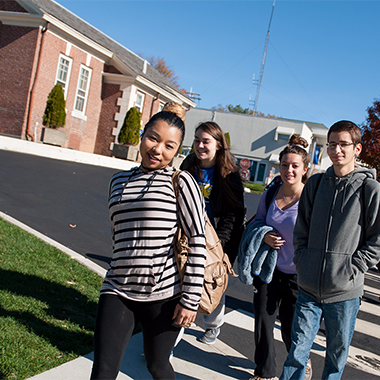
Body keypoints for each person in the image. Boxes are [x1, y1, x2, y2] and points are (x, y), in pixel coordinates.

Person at [90, 111, 207, 380]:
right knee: (103, 370)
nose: (158, 149)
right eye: (153, 138)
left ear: (178, 150)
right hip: (117, 288)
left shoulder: (181, 182)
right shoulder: (118, 181)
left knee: (157, 365)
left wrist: (189, 299)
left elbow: (197, 240)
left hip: (163, 295)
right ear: (142, 135)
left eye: (169, 145)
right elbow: (119, 236)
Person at [280, 120, 380, 380]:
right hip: (308, 286)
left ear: (357, 149)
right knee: (297, 352)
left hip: (345, 292)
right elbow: (301, 228)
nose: (336, 150)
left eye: (343, 144)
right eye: (332, 144)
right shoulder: (314, 184)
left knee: (336, 354)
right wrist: (302, 258)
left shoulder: (369, 189)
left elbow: (377, 239)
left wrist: (353, 267)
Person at [247, 135, 311, 380]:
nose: (289, 170)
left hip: (298, 275)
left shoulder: (310, 200)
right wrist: (264, 236)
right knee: (263, 321)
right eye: (285, 165)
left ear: (305, 169)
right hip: (269, 270)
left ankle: (300, 363)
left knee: (290, 328)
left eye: (295, 166)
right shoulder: (271, 193)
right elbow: (257, 222)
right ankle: (264, 372)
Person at [180, 121, 245, 345]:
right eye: (197, 140)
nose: (200, 145)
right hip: (187, 234)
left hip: (216, 239)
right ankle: (171, 337)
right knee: (181, 280)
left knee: (212, 283)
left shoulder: (229, 174)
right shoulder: (187, 166)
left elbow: (234, 214)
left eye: (205, 141)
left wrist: (221, 246)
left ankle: (213, 325)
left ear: (218, 145)